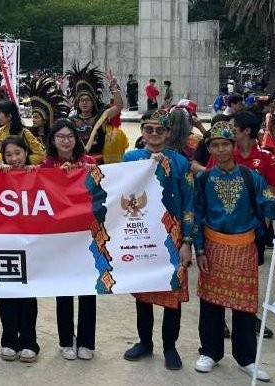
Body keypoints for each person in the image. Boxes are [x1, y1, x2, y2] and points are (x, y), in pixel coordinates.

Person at [193, 122, 275, 382]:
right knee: (211, 303)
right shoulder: (204, 178)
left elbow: (268, 206)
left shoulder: (250, 176)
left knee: (244, 306)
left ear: (233, 145)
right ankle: (210, 352)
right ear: (209, 149)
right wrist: (199, 250)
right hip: (213, 246)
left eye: (225, 144)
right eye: (215, 145)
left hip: (244, 247)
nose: (220, 150)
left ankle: (247, 359)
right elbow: (196, 215)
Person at [122, 110, 196, 371]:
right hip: (143, 232)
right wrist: (147, 167)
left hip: (173, 234)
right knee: (143, 292)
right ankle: (145, 342)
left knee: (172, 293)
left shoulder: (180, 162)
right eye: (149, 129)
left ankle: (169, 346)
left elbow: (189, 202)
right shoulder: (130, 159)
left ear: (167, 134)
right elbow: (123, 193)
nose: (154, 134)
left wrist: (188, 240)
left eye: (160, 130)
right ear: (142, 131)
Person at [41, 120, 100, 361]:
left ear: (76, 139)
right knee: (63, 289)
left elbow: (102, 190)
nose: (66, 140)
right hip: (59, 237)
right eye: (60, 136)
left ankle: (86, 342)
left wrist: (87, 176)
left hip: (86, 234)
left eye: (70, 136)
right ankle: (67, 340)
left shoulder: (89, 163)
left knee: (88, 288)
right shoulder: (45, 165)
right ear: (53, 140)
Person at [0, 135, 40, 362]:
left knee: (27, 293)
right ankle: (9, 340)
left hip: (29, 244)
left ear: (26, 152)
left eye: (18, 153)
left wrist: (37, 174)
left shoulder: (38, 173)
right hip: (3, 244)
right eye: (9, 155)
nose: (14, 159)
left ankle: (30, 341)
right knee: (5, 293)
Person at [66, 64, 124, 164]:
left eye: (87, 100)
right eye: (81, 100)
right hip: (78, 164)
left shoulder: (102, 116)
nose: (84, 103)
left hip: (99, 164)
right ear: (78, 103)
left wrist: (114, 87)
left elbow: (118, 106)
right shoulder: (71, 120)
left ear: (93, 102)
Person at [0, 100, 46, 166]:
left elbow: (40, 154)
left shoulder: (25, 133)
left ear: (9, 116)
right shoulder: (0, 131)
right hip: (5, 171)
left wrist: (23, 161)